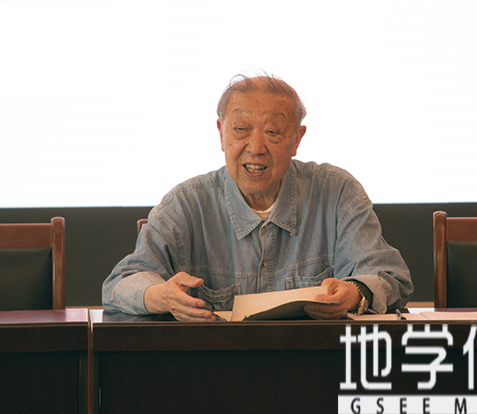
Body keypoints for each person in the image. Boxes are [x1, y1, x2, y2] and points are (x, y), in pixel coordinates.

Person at [102, 73, 413, 321]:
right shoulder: (186, 204)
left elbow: (390, 277)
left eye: (273, 132)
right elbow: (121, 283)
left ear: (297, 139)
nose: (256, 147)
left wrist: (355, 293)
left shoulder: (337, 193)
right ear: (221, 133)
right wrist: (161, 296)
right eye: (241, 129)